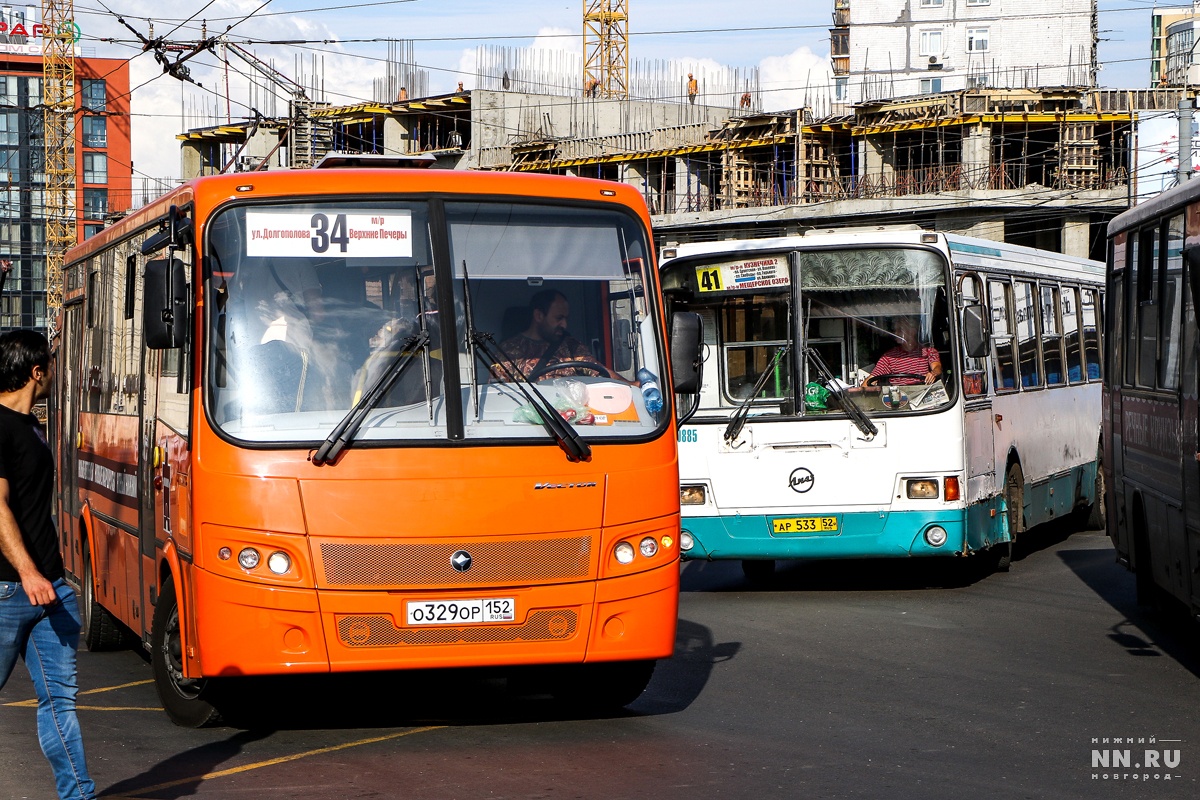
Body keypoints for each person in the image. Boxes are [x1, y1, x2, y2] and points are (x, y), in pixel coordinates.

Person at [0, 329, 97, 800]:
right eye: (52, 367)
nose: (56, 374)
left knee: (60, 704)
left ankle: (78, 796)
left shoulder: (31, 425)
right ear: (37, 372)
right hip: (9, 591)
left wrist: (49, 577)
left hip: (49, 591)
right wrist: (28, 572)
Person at [494, 290, 600, 381]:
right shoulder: (508, 350)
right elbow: (498, 396)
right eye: (559, 318)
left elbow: (603, 374)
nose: (564, 325)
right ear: (539, 316)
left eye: (566, 319)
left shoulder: (572, 346)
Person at [862, 316, 942, 388]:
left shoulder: (928, 351)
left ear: (912, 331)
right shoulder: (889, 357)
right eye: (895, 330)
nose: (895, 334)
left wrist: (932, 374)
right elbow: (870, 380)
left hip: (921, 394)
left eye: (900, 330)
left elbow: (937, 367)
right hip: (898, 399)